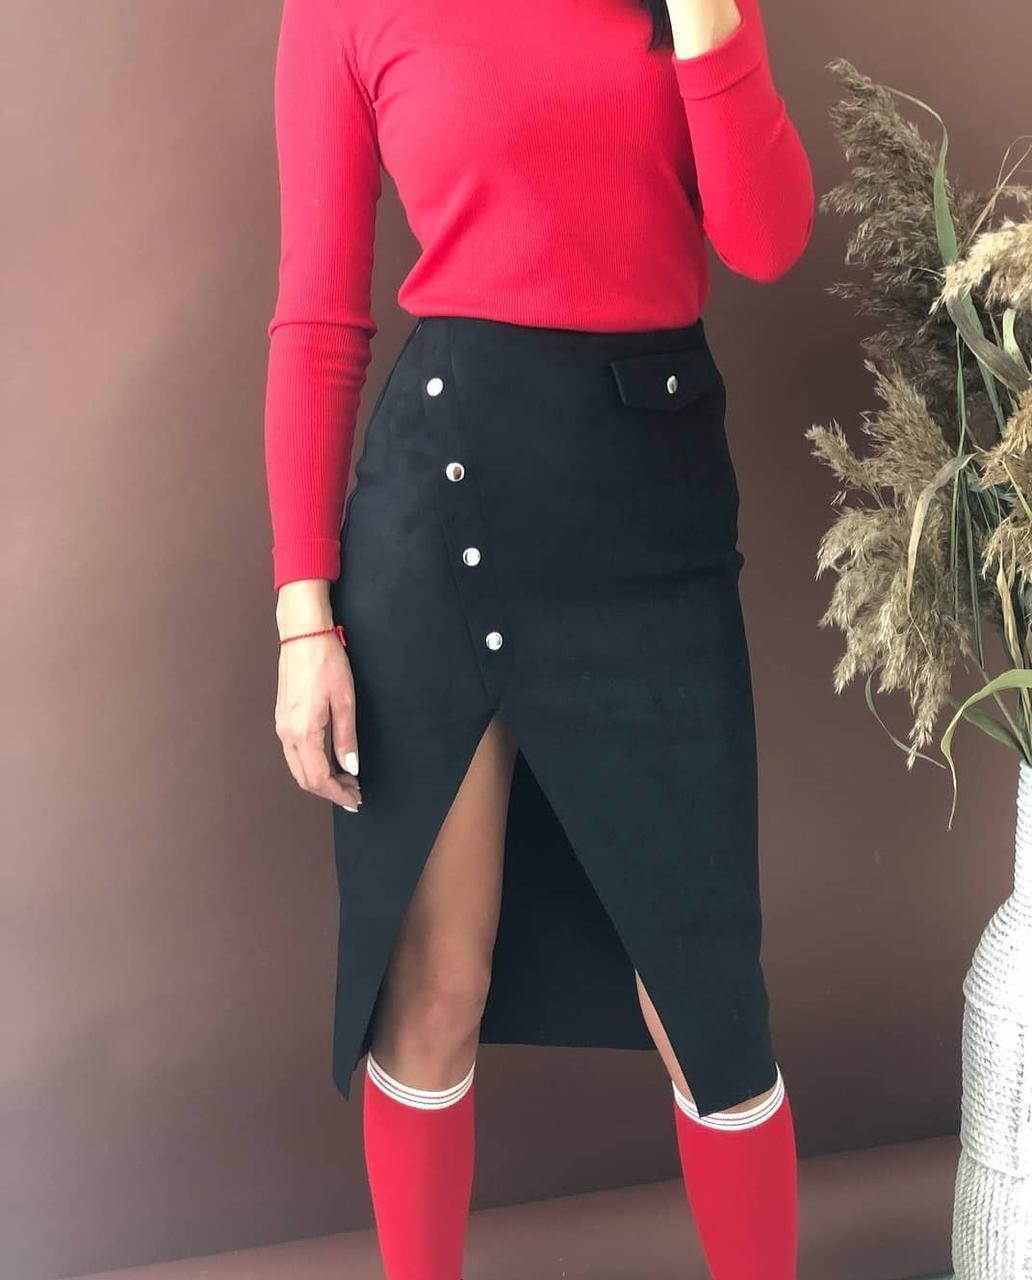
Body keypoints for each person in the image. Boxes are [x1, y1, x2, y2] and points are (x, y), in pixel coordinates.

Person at [263, 0, 815, 1276]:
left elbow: (767, 239)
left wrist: (711, 20)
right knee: (433, 981)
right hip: (437, 526)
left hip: (655, 527)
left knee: (709, 1004)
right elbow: (318, 316)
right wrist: (304, 615)